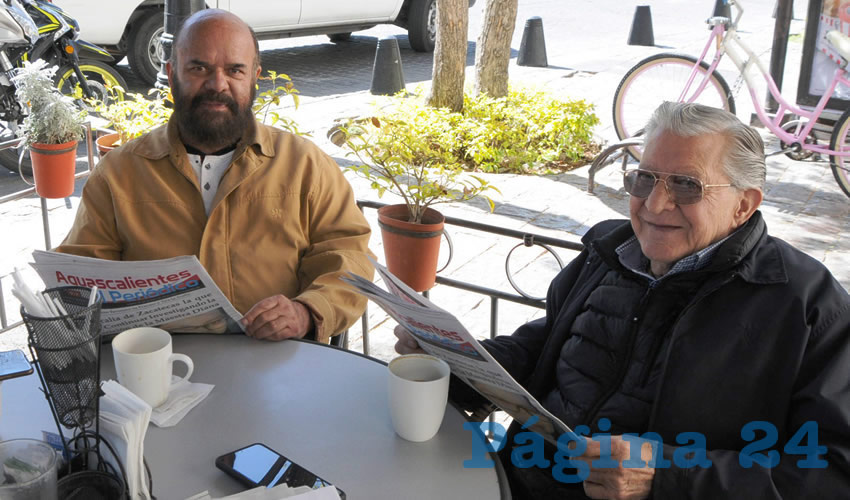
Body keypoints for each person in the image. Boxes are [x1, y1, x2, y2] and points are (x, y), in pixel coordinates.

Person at [395, 102, 850, 498]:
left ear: (743, 205)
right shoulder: (609, 250)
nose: (654, 204)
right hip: (511, 481)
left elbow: (833, 474)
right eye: (644, 178)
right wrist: (454, 360)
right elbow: (553, 344)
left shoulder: (808, 307)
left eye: (686, 186)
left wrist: (664, 476)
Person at [56, 9, 374, 344]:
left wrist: (307, 311)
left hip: (278, 364)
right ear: (171, 73)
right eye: (198, 68)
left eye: (234, 70)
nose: (217, 84)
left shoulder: (305, 164)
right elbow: (82, 270)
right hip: (156, 368)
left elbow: (349, 255)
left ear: (254, 77)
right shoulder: (119, 172)